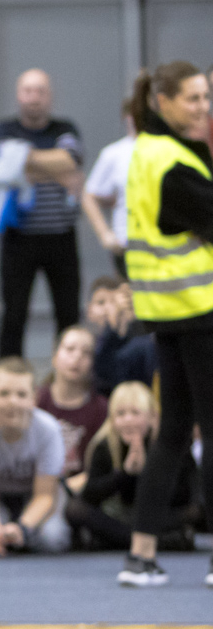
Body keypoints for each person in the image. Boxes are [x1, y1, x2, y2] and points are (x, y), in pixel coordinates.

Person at [117, 61, 213, 588]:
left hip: (167, 313)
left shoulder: (147, 153)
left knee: (174, 430)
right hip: (199, 309)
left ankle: (141, 554)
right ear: (163, 102)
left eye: (206, 98)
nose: (202, 108)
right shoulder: (175, 163)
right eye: (194, 98)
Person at [0, 69, 84, 359]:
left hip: (61, 236)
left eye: (40, 91)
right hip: (19, 238)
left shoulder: (65, 128)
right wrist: (56, 168)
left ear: (50, 96)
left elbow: (71, 161)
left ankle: (66, 372)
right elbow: (5, 162)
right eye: (28, 91)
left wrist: (24, 161)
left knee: (67, 312)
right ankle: (9, 372)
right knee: (14, 314)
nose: (34, 98)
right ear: (18, 95)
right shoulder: (4, 129)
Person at [0, 357, 70, 555]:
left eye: (21, 394)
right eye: (4, 393)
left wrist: (22, 528)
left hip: (36, 496)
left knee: (53, 540)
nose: (13, 402)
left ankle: (19, 537)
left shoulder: (48, 430)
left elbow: (44, 494)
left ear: (33, 399)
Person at [65, 381, 194, 551]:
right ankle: (156, 543)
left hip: (159, 515)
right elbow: (90, 495)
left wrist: (147, 473)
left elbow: (183, 495)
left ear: (152, 417)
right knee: (75, 509)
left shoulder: (170, 448)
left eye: (135, 413)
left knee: (195, 510)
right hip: (119, 516)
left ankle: (124, 540)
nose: (128, 420)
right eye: (120, 414)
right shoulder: (103, 446)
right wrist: (125, 474)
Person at [37, 324, 106, 487]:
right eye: (70, 349)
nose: (77, 358)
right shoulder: (36, 400)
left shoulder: (101, 408)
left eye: (86, 352)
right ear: (54, 356)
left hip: (83, 489)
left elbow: (102, 466)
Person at [81, 98, 136, 277]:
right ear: (127, 117)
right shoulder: (115, 153)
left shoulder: (168, 149)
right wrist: (106, 235)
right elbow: (89, 195)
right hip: (127, 244)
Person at [87, 277, 156, 396]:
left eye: (114, 302)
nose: (110, 309)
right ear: (89, 310)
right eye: (101, 302)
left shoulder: (143, 343)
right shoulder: (85, 344)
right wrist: (111, 329)